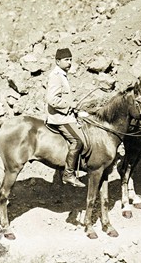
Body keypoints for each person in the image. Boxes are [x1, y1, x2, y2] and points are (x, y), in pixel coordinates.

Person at [46, 48, 85, 187]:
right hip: (60, 117)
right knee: (78, 141)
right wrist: (70, 106)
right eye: (66, 60)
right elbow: (52, 99)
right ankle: (68, 173)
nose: (69, 63)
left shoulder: (62, 75)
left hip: (66, 115)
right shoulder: (56, 76)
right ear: (58, 61)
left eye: (70, 59)